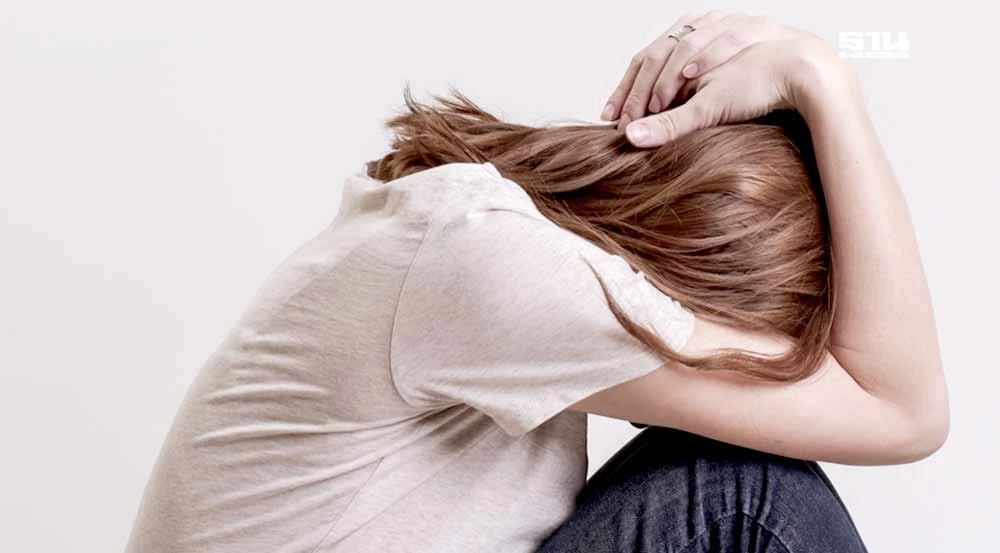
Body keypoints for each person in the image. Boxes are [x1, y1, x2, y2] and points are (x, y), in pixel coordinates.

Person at [125, 10, 949, 553]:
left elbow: (884, 397)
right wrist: (824, 82)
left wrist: (817, 83)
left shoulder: (463, 231)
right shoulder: (492, 262)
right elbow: (902, 411)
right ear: (694, 259)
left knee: (729, 463)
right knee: (744, 489)